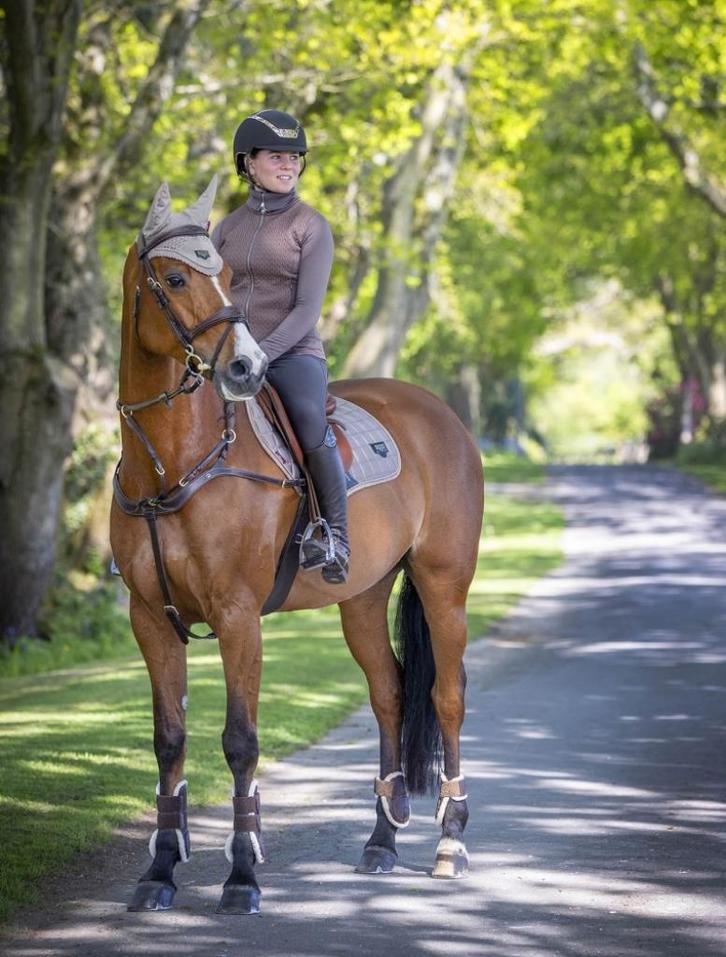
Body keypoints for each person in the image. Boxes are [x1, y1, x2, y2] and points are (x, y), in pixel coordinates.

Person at [211, 109, 349, 584]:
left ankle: (335, 536)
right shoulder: (225, 229)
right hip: (229, 355)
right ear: (248, 163)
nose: (288, 165)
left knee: (310, 420)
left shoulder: (310, 226)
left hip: (291, 355)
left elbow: (307, 310)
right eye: (276, 157)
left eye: (295, 157)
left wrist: (261, 351)